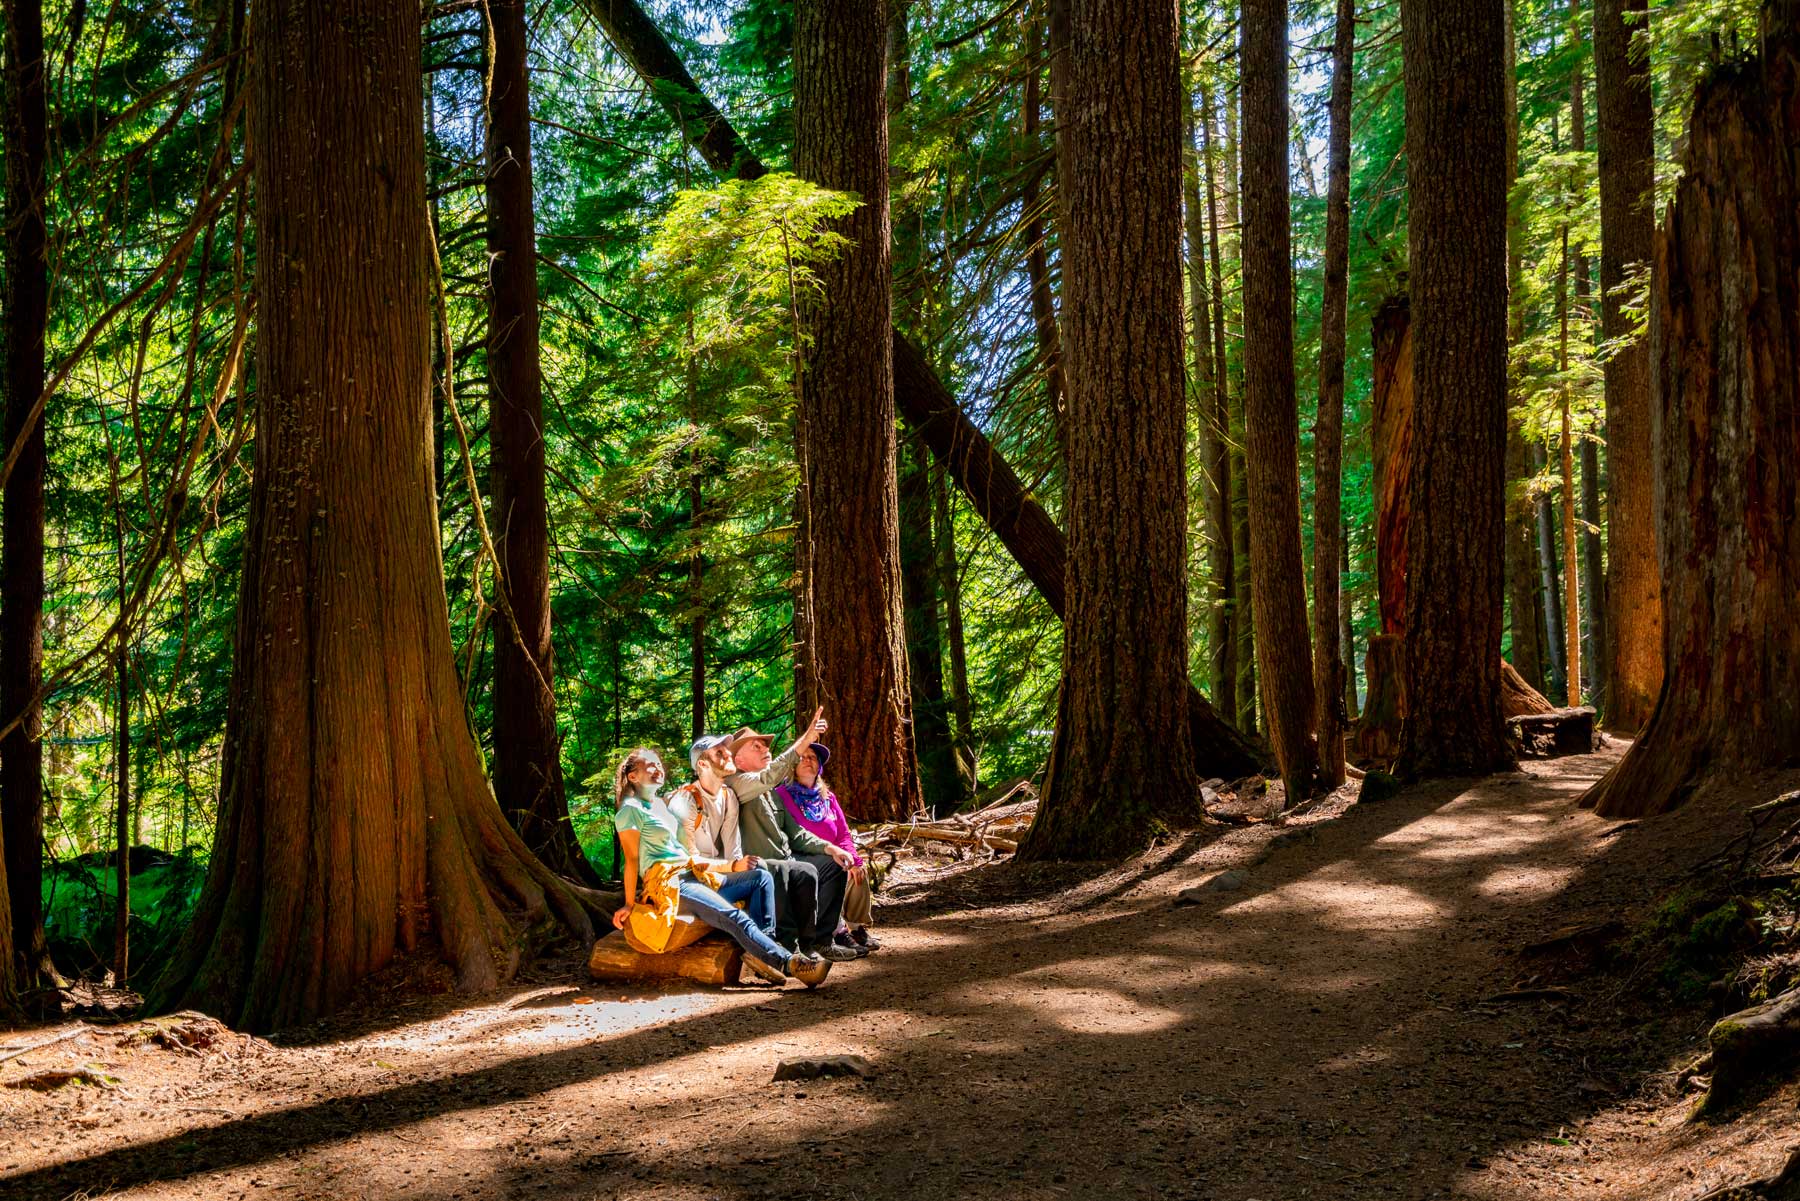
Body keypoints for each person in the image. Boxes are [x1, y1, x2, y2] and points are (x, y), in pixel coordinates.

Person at [610, 747, 826, 987]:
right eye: (650, 765)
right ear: (633, 776)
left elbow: (685, 853)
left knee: (760, 877)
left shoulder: (660, 806)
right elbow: (631, 860)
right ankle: (789, 962)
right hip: (671, 884)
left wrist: (727, 867)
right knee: (733, 915)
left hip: (693, 874)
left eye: (659, 764)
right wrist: (628, 903)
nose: (658, 768)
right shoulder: (629, 810)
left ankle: (763, 953)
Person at [723, 711, 861, 963]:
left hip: (787, 857)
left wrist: (831, 848)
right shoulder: (736, 783)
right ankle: (791, 948)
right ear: (738, 759)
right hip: (759, 863)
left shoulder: (771, 792)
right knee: (791, 870)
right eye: (756, 746)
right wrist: (806, 739)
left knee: (831, 866)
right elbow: (768, 775)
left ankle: (821, 941)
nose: (765, 749)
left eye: (765, 745)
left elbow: (795, 832)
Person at [775, 742, 880, 953]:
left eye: (813, 757)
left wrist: (854, 860)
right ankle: (835, 932)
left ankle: (855, 928)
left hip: (833, 855)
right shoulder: (782, 795)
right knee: (835, 866)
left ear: (819, 766)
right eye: (802, 757)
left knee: (856, 870)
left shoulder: (828, 797)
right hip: (802, 856)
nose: (808, 760)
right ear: (792, 764)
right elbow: (791, 836)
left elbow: (843, 834)